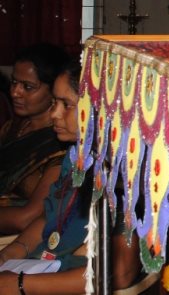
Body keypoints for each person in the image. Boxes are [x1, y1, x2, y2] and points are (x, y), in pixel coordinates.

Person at [0, 58, 140, 293]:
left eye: (66, 105)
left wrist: (21, 285)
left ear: (100, 109)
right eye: (54, 102)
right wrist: (11, 252)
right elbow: (50, 216)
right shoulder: (76, 156)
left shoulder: (123, 173)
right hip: (41, 266)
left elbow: (121, 272)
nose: (54, 113)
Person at [0, 44, 71, 235]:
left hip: (21, 239)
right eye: (14, 82)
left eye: (28, 87)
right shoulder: (13, 128)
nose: (15, 92)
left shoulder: (60, 145)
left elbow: (28, 218)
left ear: (54, 89)